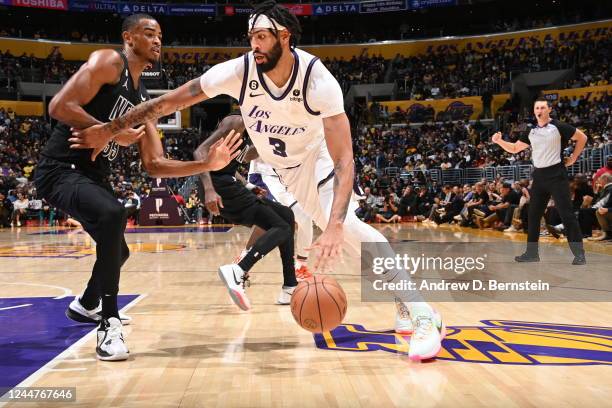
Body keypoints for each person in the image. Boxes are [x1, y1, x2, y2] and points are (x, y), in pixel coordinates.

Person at [68, 1, 444, 361]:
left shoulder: (317, 80)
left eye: (262, 36)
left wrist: (332, 224)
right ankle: (401, 297)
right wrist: (110, 129)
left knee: (346, 229)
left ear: (284, 36)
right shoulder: (239, 71)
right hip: (288, 173)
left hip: (320, 162)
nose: (254, 45)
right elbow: (168, 104)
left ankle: (425, 313)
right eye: (250, 37)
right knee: (346, 239)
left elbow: (346, 159)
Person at [34, 14, 241, 361]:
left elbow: (155, 165)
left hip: (92, 177)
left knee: (120, 252)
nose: (157, 41)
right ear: (129, 38)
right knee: (114, 214)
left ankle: (85, 305)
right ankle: (108, 322)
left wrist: (207, 164)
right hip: (60, 168)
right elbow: (59, 107)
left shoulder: (144, 100)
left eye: (160, 35)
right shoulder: (108, 62)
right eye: (149, 34)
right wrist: (111, 128)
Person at [194, 113, 298, 308]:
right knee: (281, 227)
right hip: (218, 187)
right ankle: (239, 269)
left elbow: (234, 164)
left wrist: (249, 186)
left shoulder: (249, 130)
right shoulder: (236, 122)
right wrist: (209, 190)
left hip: (228, 184)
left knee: (286, 215)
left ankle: (290, 286)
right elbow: (200, 153)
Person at [492, 97, 587, 264]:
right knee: (533, 215)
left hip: (557, 174)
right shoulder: (530, 130)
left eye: (543, 107)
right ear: (534, 111)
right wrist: (499, 141)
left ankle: (579, 254)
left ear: (549, 109)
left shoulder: (558, 126)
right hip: (539, 176)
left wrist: (572, 159)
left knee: (567, 214)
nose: (539, 111)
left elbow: (582, 138)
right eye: (537, 108)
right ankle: (532, 253)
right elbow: (514, 148)